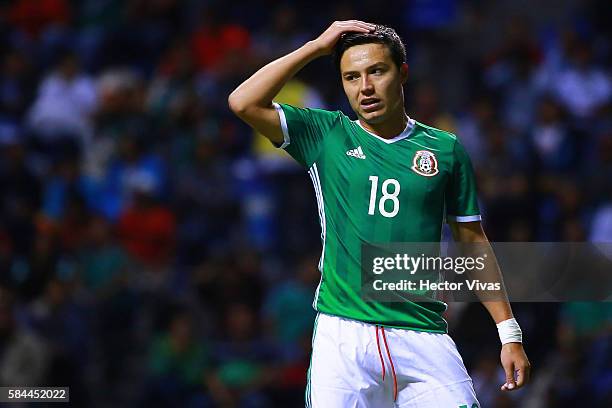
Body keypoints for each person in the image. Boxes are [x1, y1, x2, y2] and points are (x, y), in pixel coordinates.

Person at [229, 21, 531, 407]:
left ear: (402, 73)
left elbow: (472, 243)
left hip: (422, 335)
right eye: (351, 77)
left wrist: (509, 334)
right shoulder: (327, 134)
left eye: (376, 71)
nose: (364, 87)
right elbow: (242, 102)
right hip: (344, 337)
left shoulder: (445, 149)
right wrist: (316, 47)